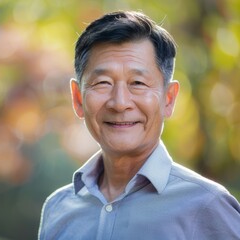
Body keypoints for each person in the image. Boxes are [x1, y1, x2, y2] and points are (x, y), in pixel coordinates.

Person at [38, 10, 240, 240]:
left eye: (138, 83)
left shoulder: (206, 206)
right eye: (103, 82)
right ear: (77, 98)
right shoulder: (58, 209)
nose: (120, 103)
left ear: (169, 98)